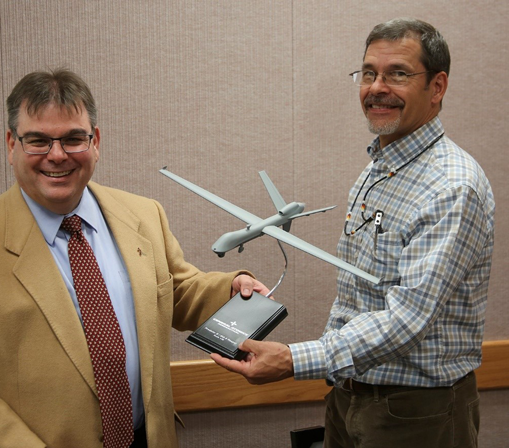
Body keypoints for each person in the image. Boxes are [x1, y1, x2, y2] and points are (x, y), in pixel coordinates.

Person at [0, 68, 269, 448]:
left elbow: (174, 291)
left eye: (73, 139)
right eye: (37, 140)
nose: (56, 155)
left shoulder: (144, 215)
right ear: (10, 144)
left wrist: (229, 289)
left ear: (95, 141)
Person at [211, 18, 495, 448]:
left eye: (397, 73)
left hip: (417, 413)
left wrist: (294, 359)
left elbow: (407, 320)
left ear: (437, 87)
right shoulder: (376, 169)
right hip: (349, 396)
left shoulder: (452, 186)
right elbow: (358, 298)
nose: (376, 87)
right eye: (368, 73)